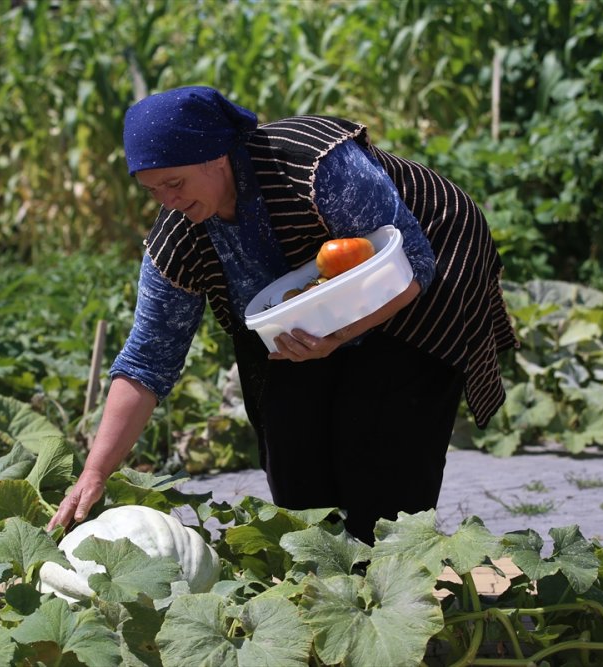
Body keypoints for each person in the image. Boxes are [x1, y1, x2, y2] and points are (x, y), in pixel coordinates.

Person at [49, 86, 517, 544]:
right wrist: (95, 471)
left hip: (417, 271)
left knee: (381, 451)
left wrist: (339, 337)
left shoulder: (312, 166)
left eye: (176, 183)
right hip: (311, 309)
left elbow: (412, 262)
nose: (168, 201)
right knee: (294, 465)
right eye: (154, 191)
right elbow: (148, 360)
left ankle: (391, 579)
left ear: (218, 156)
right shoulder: (180, 237)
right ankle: (324, 577)